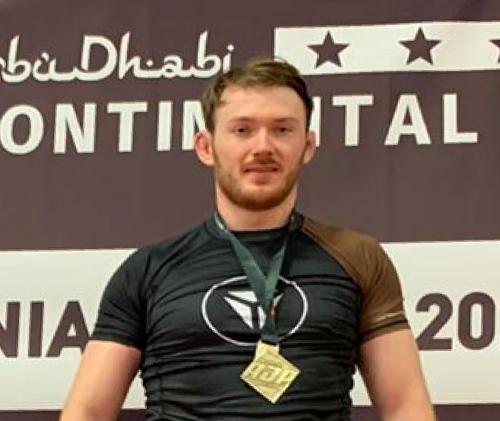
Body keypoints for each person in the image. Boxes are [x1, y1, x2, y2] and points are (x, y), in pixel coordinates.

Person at [60, 58, 435, 421]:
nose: (263, 147)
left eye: (282, 130)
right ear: (206, 147)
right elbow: (88, 411)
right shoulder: (148, 269)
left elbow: (405, 407)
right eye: (242, 130)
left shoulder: (358, 258)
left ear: (307, 146)